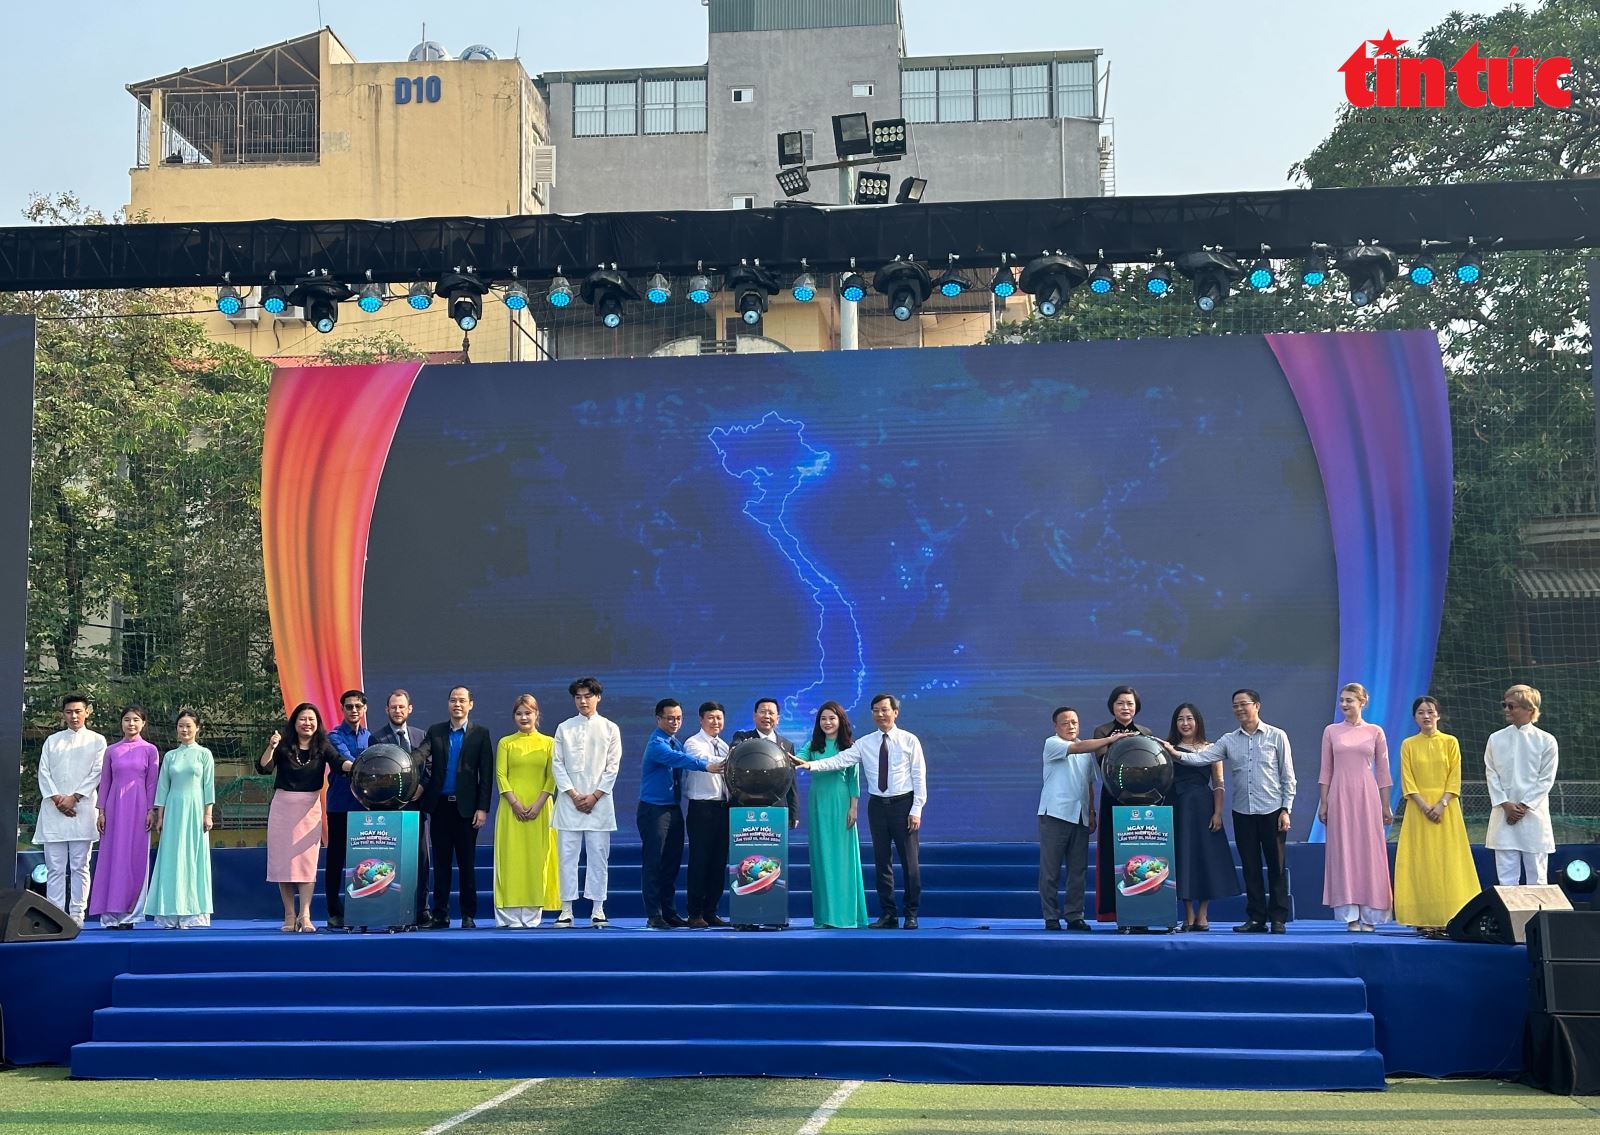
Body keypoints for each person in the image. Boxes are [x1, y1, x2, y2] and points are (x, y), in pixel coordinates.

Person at [794, 693, 926, 930]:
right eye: (876, 710)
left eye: (885, 710)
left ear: (895, 712)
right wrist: (811, 765)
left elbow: (918, 776)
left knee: (909, 863)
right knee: (882, 863)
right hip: (877, 806)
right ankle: (889, 914)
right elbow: (839, 760)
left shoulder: (909, 740)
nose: (880, 714)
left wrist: (916, 808)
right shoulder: (865, 743)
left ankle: (911, 913)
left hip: (903, 805)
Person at [1168, 689, 1296, 933]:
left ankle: (1278, 918)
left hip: (1272, 809)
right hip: (1243, 811)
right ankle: (1256, 918)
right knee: (1250, 867)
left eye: (1243, 704)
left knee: (1276, 866)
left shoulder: (1277, 736)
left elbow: (1287, 776)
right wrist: (1174, 752)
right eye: (1235, 705)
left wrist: (1285, 809)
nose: (1239, 709)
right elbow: (1200, 759)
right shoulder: (1228, 740)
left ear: (1256, 705)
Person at [637, 698, 726, 929]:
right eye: (670, 718)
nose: (675, 722)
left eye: (678, 718)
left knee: (671, 864)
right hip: (654, 810)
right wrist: (706, 766)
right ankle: (654, 914)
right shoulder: (657, 743)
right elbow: (679, 759)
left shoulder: (675, 741)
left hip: (673, 808)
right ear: (658, 719)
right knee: (654, 862)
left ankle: (669, 912)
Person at [1394, 696, 1479, 934]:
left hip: (1447, 809)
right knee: (1421, 861)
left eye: (1430, 712)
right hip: (1417, 810)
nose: (1426, 716)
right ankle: (1422, 917)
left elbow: (1454, 776)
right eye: (1421, 712)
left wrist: (1441, 804)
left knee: (1448, 860)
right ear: (1414, 718)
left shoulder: (1450, 742)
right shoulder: (1408, 744)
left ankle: (1452, 915)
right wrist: (1424, 806)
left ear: (1438, 715)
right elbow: (1408, 780)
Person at [257, 702, 341, 933]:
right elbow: (264, 767)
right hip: (283, 807)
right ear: (294, 722)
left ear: (317, 723)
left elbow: (338, 762)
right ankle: (289, 914)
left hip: (309, 808)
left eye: (311, 719)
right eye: (302, 719)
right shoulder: (283, 745)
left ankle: (305, 914)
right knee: (283, 862)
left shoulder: (323, 745)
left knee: (306, 863)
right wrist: (271, 746)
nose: (307, 723)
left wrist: (353, 766)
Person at [416, 686, 495, 929]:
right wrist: (406, 761)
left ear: (471, 704)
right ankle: (440, 915)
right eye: (453, 700)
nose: (457, 704)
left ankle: (468, 915)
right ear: (448, 704)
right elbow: (421, 754)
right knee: (441, 865)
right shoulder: (436, 731)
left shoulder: (480, 733)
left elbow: (486, 774)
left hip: (467, 811)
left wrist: (482, 808)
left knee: (466, 864)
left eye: (462, 700)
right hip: (440, 808)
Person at [1318, 683, 1394, 931]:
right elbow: (1326, 770)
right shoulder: (1331, 731)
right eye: (1342, 700)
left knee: (1370, 852)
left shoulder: (1375, 731)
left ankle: (1371, 915)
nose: (1344, 704)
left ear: (1363, 702)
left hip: (1367, 796)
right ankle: (1350, 915)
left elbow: (1383, 772)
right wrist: (1324, 802)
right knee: (1344, 851)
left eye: (1349, 700)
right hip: (1339, 795)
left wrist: (1385, 805)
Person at [551, 676, 622, 928]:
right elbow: (557, 764)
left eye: (588, 696)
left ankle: (598, 908)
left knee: (598, 857)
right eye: (578, 697)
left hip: (599, 804)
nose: (583, 701)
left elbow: (612, 767)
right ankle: (566, 909)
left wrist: (594, 796)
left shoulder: (610, 728)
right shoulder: (564, 727)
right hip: (569, 803)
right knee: (567, 857)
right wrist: (573, 795)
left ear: (598, 698)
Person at [34, 693, 106, 926]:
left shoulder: (97, 741)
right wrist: (58, 799)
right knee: (54, 868)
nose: (74, 716)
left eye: (78, 711)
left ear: (87, 712)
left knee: (80, 866)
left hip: (82, 809)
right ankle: (55, 914)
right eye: (69, 712)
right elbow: (43, 772)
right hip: (53, 810)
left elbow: (97, 772)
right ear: (63, 714)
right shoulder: (52, 741)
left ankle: (76, 914)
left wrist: (74, 798)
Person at [1166, 703, 1240, 931]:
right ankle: (1188, 914)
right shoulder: (1169, 749)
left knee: (1205, 858)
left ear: (1197, 721)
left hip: (1204, 807)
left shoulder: (1211, 748)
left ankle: (1203, 914)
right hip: (1178, 807)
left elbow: (1218, 783)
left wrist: (1217, 812)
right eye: (1180, 719)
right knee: (1183, 858)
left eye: (1189, 718)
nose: (1185, 723)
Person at [797, 701, 869, 929]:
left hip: (841, 802)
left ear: (841, 721)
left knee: (843, 858)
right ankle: (825, 916)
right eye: (823, 719)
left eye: (832, 718)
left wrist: (853, 807)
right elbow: (799, 760)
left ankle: (846, 915)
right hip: (818, 802)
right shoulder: (812, 745)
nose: (827, 722)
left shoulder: (849, 746)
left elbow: (853, 781)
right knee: (822, 857)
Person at [86, 705, 160, 929]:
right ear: (121, 723)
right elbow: (105, 782)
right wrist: (101, 812)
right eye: (127, 719)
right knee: (111, 858)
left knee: (135, 858)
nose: (131, 724)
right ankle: (110, 916)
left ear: (143, 723)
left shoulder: (150, 750)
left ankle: (131, 915)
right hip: (114, 809)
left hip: (139, 809)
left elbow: (152, 783)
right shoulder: (112, 751)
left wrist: (151, 810)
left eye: (136, 719)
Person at [493, 694, 561, 928]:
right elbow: (501, 775)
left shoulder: (549, 743)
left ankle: (532, 915)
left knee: (537, 860)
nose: (524, 717)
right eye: (519, 713)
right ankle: (508, 916)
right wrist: (515, 804)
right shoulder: (506, 743)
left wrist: (539, 804)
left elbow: (552, 776)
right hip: (510, 810)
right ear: (514, 717)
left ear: (536, 715)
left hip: (541, 810)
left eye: (528, 713)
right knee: (510, 859)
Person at [145, 709, 216, 929]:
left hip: (195, 810)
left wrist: (208, 814)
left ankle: (193, 913)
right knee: (171, 857)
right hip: (173, 810)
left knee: (193, 857)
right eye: (181, 726)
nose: (184, 730)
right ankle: (169, 912)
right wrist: (160, 816)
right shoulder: (170, 756)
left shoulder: (204, 754)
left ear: (197, 728)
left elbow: (208, 786)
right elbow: (163, 788)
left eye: (188, 726)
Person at [1484, 683, 1559, 886]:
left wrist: (1523, 806)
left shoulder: (1547, 741)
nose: (1506, 710)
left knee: (1537, 878)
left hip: (1533, 816)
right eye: (1505, 705)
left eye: (1512, 706)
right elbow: (1491, 774)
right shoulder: (1495, 739)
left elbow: (1546, 779)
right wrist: (1506, 805)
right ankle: (1509, 910)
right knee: (1506, 879)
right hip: (1503, 815)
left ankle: (1539, 909)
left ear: (1530, 710)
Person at [369, 688, 432, 927]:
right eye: (393, 707)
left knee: (420, 860)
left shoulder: (421, 736)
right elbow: (374, 772)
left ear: (409, 709)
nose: (397, 710)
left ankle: (422, 910)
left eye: (401, 707)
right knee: (391, 862)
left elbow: (429, 768)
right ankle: (392, 910)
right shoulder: (376, 738)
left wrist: (422, 787)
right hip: (389, 812)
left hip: (417, 808)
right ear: (387, 710)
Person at [1091, 686, 1155, 921]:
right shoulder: (1102, 731)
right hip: (1113, 795)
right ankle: (1112, 910)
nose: (1125, 708)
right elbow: (1105, 762)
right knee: (1112, 851)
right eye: (1120, 703)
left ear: (1136, 707)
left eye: (1130, 703)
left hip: (1142, 798)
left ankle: (1142, 908)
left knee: (1140, 851)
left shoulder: (1145, 732)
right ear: (1112, 706)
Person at [1038, 707, 1097, 932]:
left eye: (1074, 722)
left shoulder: (1086, 751)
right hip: (1055, 814)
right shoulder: (1052, 743)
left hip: (1080, 816)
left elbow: (1089, 784)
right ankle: (1051, 917)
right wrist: (1112, 739)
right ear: (1056, 726)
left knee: (1078, 870)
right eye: (1065, 723)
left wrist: (1091, 812)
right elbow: (1077, 748)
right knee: (1050, 871)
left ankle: (1074, 915)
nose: (1071, 726)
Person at [681, 701, 733, 927]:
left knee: (718, 863)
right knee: (700, 861)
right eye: (711, 718)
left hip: (723, 808)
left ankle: (711, 911)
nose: (715, 722)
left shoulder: (724, 745)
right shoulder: (693, 743)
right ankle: (695, 913)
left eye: (719, 718)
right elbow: (705, 761)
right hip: (701, 809)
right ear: (701, 719)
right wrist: (734, 760)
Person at [323, 688, 369, 930]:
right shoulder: (333, 736)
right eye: (349, 706)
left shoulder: (372, 737)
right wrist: (371, 765)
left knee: (363, 863)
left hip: (366, 808)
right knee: (336, 859)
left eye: (358, 706)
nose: (353, 710)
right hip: (340, 806)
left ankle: (362, 910)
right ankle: (334, 911)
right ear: (342, 709)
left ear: (364, 709)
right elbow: (347, 761)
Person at [729, 698, 800, 828]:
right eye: (762, 712)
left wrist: (793, 813)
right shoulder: (743, 737)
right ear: (754, 716)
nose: (766, 716)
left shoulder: (787, 745)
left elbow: (791, 781)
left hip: (777, 808)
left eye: (771, 713)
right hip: (745, 807)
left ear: (777, 718)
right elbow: (735, 747)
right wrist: (740, 746)